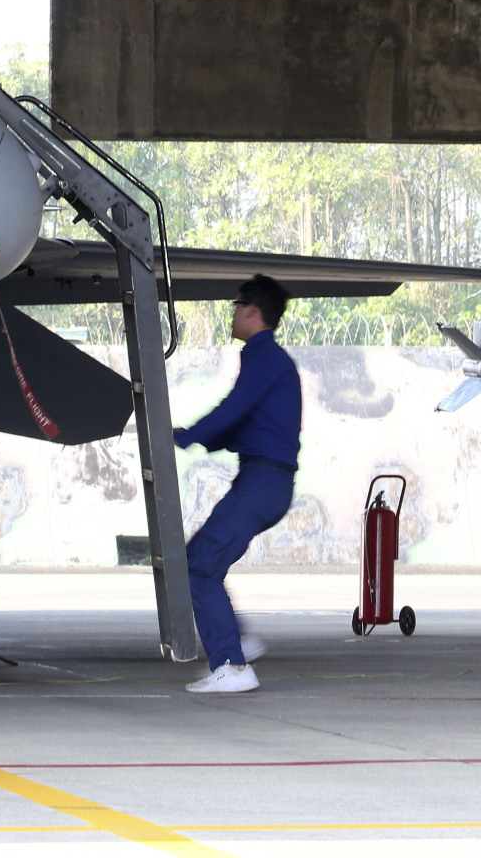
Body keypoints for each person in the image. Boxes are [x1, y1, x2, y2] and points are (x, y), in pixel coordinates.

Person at [172, 274, 302, 694]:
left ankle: (233, 663)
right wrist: (190, 438)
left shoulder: (264, 358)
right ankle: (239, 640)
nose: (232, 314)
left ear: (251, 311)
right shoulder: (268, 360)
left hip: (263, 481)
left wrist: (189, 435)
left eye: (236, 307)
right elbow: (241, 425)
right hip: (265, 480)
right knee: (200, 557)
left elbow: (234, 408)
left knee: (201, 565)